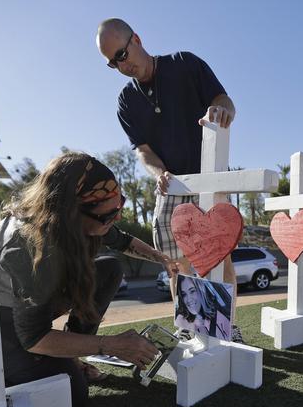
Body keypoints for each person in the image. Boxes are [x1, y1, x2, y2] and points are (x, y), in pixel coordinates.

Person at [0, 152, 178, 407]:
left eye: (120, 205)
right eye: (108, 214)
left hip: (15, 312)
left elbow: (122, 241)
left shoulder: (84, 216)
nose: (116, 217)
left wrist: (163, 259)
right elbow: (34, 338)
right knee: (69, 393)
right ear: (70, 212)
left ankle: (67, 356)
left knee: (108, 269)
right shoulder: (28, 244)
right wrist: (110, 345)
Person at [95, 18, 245, 343]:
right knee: (175, 264)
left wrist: (220, 113)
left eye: (122, 54)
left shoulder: (184, 64)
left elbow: (225, 101)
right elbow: (143, 152)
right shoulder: (126, 101)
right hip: (171, 185)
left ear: (136, 38)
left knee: (220, 258)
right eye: (112, 63)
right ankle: (188, 327)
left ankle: (227, 328)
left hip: (209, 175)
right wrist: (159, 173)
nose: (122, 65)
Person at [174, 275, 232, 341]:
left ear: (201, 292)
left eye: (192, 291)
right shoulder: (181, 320)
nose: (189, 299)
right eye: (184, 294)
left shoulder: (220, 318)